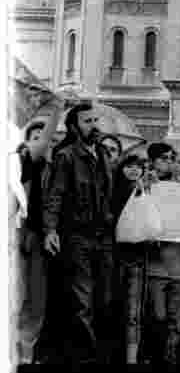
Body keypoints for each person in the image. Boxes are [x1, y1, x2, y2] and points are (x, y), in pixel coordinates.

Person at [42, 101, 117, 364]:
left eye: (96, 120)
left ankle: (97, 354)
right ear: (74, 127)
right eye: (88, 121)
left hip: (104, 238)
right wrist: (50, 230)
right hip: (77, 237)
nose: (94, 126)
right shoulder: (66, 156)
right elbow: (55, 195)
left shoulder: (105, 155)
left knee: (105, 300)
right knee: (81, 301)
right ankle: (85, 358)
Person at [12, 97, 63, 364]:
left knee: (37, 300)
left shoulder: (58, 169)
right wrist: (56, 110)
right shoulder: (20, 162)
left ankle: (27, 354)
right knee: (18, 299)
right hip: (21, 238)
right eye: (38, 136)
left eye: (51, 139)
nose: (45, 142)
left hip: (43, 242)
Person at [144, 142, 180, 368]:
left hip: (177, 268)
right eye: (164, 158)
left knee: (176, 321)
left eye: (172, 158)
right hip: (155, 266)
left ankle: (170, 360)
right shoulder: (144, 185)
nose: (169, 162)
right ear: (152, 162)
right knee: (158, 317)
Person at [110, 153, 149, 364]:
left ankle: (131, 359)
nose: (134, 170)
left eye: (138, 166)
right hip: (113, 258)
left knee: (134, 312)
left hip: (137, 258)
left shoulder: (144, 192)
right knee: (114, 308)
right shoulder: (112, 191)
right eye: (129, 166)